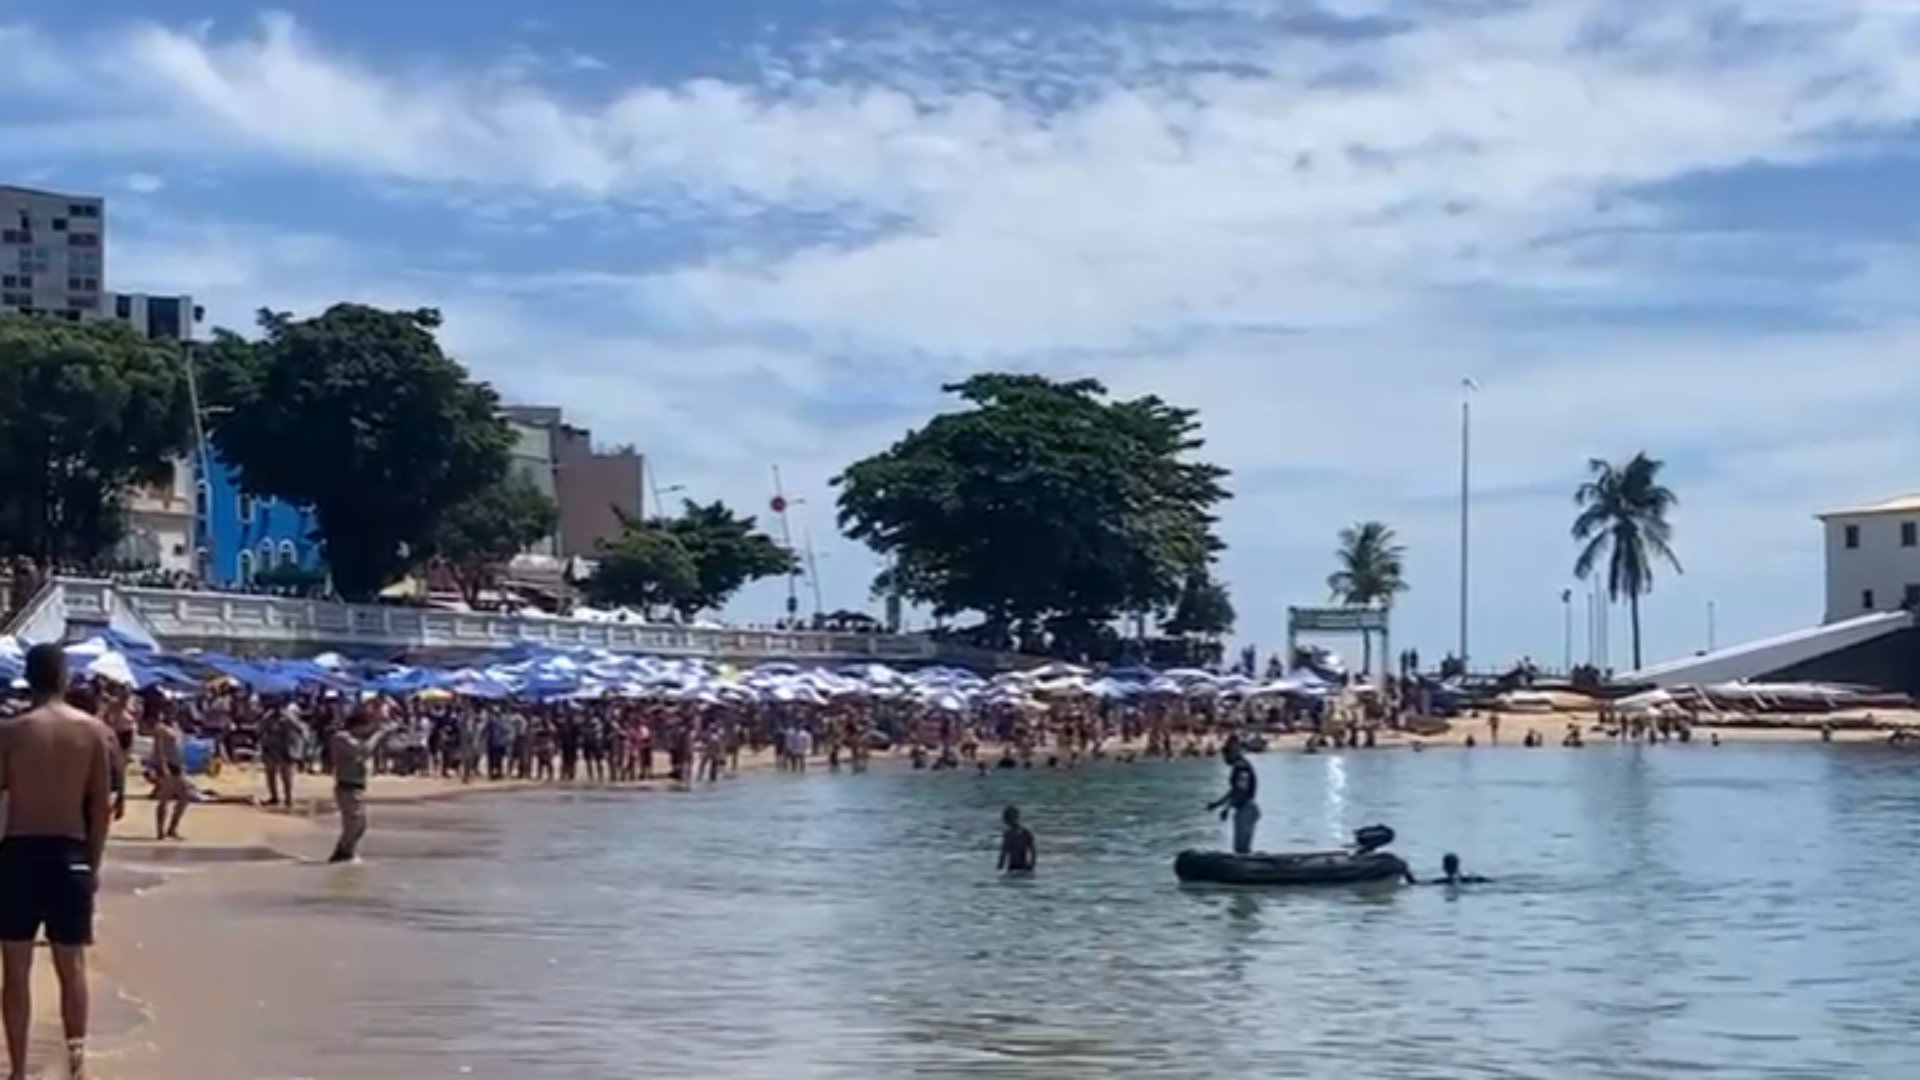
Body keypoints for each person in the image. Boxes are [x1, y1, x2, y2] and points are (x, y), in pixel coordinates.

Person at [0, 644, 116, 1080]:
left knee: (15, 969)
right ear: (65, 678)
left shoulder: (10, 732)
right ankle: (76, 1064)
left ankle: (16, 1070)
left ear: (28, 679)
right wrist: (94, 863)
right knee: (73, 968)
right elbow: (101, 807)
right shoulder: (92, 732)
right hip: (70, 854)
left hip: (18, 854)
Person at [328, 703, 396, 864]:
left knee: (360, 826)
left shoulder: (356, 739)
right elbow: (362, 751)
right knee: (353, 825)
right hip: (346, 787)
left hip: (356, 787)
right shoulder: (341, 738)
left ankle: (345, 853)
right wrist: (379, 733)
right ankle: (342, 854)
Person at [1207, 737, 1260, 855]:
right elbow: (1234, 791)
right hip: (1244, 809)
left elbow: (1240, 791)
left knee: (1241, 849)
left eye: (1225, 757)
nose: (1224, 760)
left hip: (1246, 809)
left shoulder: (1242, 767)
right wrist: (1217, 804)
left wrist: (1226, 808)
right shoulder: (1240, 767)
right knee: (1240, 848)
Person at [150, 704, 190, 841]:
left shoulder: (176, 726)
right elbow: (158, 749)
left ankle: (172, 828)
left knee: (184, 797)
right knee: (164, 799)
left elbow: (180, 747)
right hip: (167, 766)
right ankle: (160, 830)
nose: (172, 712)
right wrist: (162, 767)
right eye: (170, 710)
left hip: (178, 766)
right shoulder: (160, 728)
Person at [997, 806, 1036, 875]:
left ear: (1006, 819)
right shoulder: (1026, 832)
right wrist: (1031, 865)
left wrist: (999, 867)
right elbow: (1033, 851)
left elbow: (1003, 853)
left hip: (1012, 867)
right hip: (1025, 866)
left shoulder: (1008, 834)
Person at [1424, 853, 1491, 886]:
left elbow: (1419, 884)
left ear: (1444, 867)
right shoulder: (1473, 879)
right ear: (1458, 865)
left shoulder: (1440, 882)